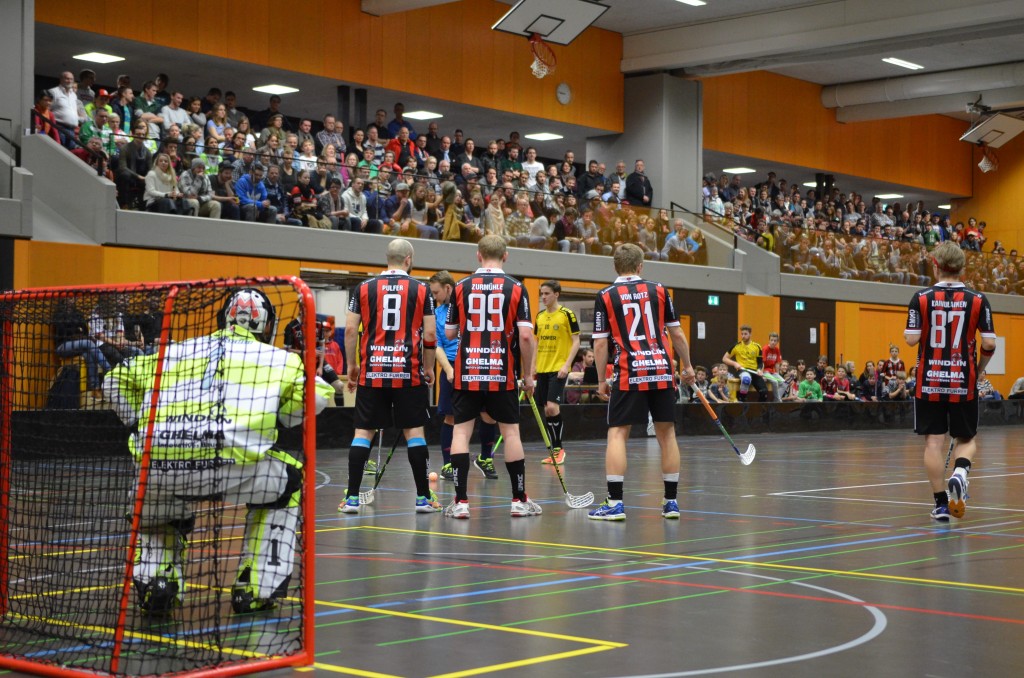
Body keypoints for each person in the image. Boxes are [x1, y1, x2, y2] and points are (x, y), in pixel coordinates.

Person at [102, 288, 333, 614]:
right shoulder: (281, 359)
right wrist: (282, 413)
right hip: (234, 466)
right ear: (266, 326)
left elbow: (113, 382)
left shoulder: (175, 352)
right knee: (290, 479)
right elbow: (317, 396)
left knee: (156, 500)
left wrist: (138, 423)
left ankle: (156, 577)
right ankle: (255, 586)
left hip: (160, 466)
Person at [588, 243, 695, 521]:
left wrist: (601, 379)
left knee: (617, 433)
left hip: (628, 371)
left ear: (615, 266)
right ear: (640, 266)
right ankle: (671, 502)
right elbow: (677, 334)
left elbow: (600, 345)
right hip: (661, 369)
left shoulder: (606, 295)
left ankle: (614, 503)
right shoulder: (660, 290)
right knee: (666, 433)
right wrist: (688, 366)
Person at [338, 239, 441, 514]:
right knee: (414, 433)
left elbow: (350, 331)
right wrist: (429, 367)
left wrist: (352, 365)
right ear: (408, 259)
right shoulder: (421, 289)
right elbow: (430, 335)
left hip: (372, 373)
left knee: (363, 432)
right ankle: (422, 498)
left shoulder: (362, 288)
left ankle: (351, 498)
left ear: (388, 258)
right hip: (408, 372)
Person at [443, 235, 539, 519]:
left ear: (478, 256)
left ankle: (460, 503)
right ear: (506, 256)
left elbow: (449, 333)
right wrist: (528, 374)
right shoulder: (517, 288)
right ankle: (519, 500)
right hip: (501, 372)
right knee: (511, 432)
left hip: (467, 371)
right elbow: (525, 335)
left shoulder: (460, 287)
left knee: (461, 431)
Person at [905, 241, 996, 521]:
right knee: (966, 438)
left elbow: (910, 339)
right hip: (962, 380)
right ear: (962, 269)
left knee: (934, 442)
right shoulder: (978, 300)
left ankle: (941, 504)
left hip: (928, 380)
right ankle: (960, 472)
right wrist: (979, 369)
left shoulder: (920, 297)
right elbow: (989, 343)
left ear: (935, 266)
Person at [429, 271, 500, 482]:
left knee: (489, 414)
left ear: (448, 288)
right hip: (451, 365)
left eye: (436, 292)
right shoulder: (436, 313)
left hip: (476, 363)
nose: (434, 297)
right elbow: (436, 345)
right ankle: (448, 464)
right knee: (451, 417)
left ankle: (486, 458)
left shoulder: (470, 306)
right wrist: (449, 370)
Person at [533, 281, 580, 465]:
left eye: (547, 293)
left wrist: (566, 365)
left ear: (557, 294)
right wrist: (532, 367)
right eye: (541, 294)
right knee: (546, 410)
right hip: (543, 368)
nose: (543, 297)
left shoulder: (566, 315)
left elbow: (575, 342)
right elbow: (536, 343)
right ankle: (554, 450)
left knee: (552, 407)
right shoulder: (539, 316)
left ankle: (559, 449)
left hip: (558, 368)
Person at [722, 325, 770, 402]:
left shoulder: (757, 347)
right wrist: (735, 363)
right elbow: (724, 359)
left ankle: (759, 410)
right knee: (746, 379)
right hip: (743, 370)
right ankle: (742, 400)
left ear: (750, 334)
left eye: (745, 334)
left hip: (755, 372)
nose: (743, 336)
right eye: (742, 334)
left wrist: (760, 370)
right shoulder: (736, 346)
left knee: (764, 393)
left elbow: (760, 362)